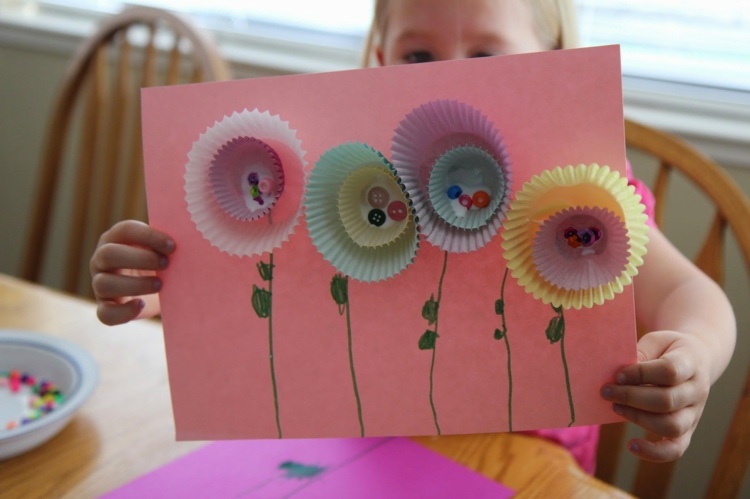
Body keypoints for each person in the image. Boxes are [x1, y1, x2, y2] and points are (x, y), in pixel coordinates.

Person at [90, 0, 736, 474]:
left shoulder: (585, 198)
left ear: (552, 63)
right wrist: (158, 288)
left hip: (528, 470)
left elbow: (689, 292)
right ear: (380, 61)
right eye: (419, 56)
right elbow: (278, 285)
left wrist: (695, 355)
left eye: (486, 54)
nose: (448, 80)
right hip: (367, 458)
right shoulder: (348, 181)